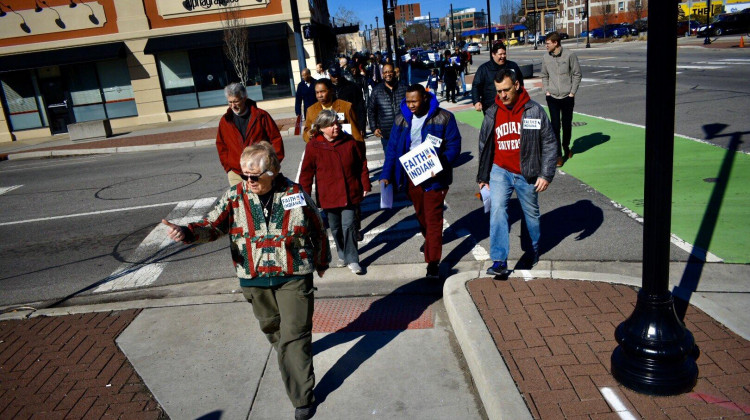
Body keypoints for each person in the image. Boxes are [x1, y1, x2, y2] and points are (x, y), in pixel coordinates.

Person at [162, 142, 329, 420]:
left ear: (273, 171)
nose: (248, 181)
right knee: (274, 331)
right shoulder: (234, 196)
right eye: (244, 175)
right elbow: (212, 225)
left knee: (296, 336)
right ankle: (292, 361)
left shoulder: (294, 193)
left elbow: (317, 228)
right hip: (253, 278)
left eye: (254, 176)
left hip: (294, 275)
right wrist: (187, 232)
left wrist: (321, 261)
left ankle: (302, 397)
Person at [476, 69, 558, 277]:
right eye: (498, 91)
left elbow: (549, 143)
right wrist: (483, 177)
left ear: (517, 86)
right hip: (500, 169)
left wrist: (546, 174)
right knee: (497, 210)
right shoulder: (493, 112)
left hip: (527, 171)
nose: (502, 95)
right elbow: (484, 145)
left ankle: (533, 250)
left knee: (531, 215)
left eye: (505, 90)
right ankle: (499, 260)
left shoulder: (534, 110)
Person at [380, 84, 461, 279]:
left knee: (433, 219)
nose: (410, 105)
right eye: (408, 101)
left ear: (424, 98)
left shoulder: (444, 117)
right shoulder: (401, 119)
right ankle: (430, 242)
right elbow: (392, 149)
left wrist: (440, 164)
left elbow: (454, 145)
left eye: (414, 101)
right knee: (422, 215)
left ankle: (432, 262)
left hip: (435, 178)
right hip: (411, 176)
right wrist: (386, 174)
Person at [300, 110, 371, 275]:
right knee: (336, 228)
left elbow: (361, 163)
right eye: (331, 125)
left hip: (350, 193)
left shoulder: (349, 141)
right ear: (322, 128)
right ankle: (342, 254)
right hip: (328, 195)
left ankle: (353, 259)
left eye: (337, 123)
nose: (336, 127)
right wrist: (303, 195)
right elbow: (306, 173)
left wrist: (365, 184)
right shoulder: (313, 146)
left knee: (349, 226)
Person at [216, 82, 284, 186]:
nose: (233, 106)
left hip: (260, 172)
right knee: (240, 202)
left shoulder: (261, 116)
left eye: (236, 101)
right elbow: (221, 145)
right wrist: (228, 167)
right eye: (230, 102)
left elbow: (276, 139)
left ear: (244, 98)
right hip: (236, 173)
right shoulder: (225, 120)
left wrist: (273, 165)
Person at [541, 32, 582, 167]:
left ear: (555, 43)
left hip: (567, 97)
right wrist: (547, 90)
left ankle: (566, 145)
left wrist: (572, 92)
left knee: (566, 125)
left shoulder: (569, 55)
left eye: (547, 43)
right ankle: (558, 155)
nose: (545, 46)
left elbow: (577, 74)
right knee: (555, 127)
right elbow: (544, 75)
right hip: (552, 97)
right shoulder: (546, 57)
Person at [303, 78, 363, 143]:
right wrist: (308, 135)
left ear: (331, 91)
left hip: (342, 148)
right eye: (317, 92)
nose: (319, 95)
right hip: (322, 149)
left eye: (323, 91)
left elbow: (356, 134)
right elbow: (306, 133)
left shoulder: (346, 107)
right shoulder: (311, 110)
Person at [471, 42, 524, 113]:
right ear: (493, 54)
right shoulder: (484, 69)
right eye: (500, 54)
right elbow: (476, 86)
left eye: (504, 54)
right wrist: (476, 101)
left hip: (511, 105)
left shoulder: (512, 66)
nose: (503, 56)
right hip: (491, 106)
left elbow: (520, 83)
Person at [367, 63, 408, 151]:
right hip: (386, 133)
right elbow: (371, 110)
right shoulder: (376, 91)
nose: (387, 74)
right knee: (390, 161)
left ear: (394, 72)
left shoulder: (404, 88)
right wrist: (374, 127)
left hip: (403, 131)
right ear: (382, 74)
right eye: (385, 72)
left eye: (390, 72)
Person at [328, 66, 366, 136]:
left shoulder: (352, 87)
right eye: (334, 76)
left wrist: (361, 126)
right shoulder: (327, 88)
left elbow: (360, 108)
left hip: (350, 122)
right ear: (329, 75)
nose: (336, 78)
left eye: (338, 75)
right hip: (332, 124)